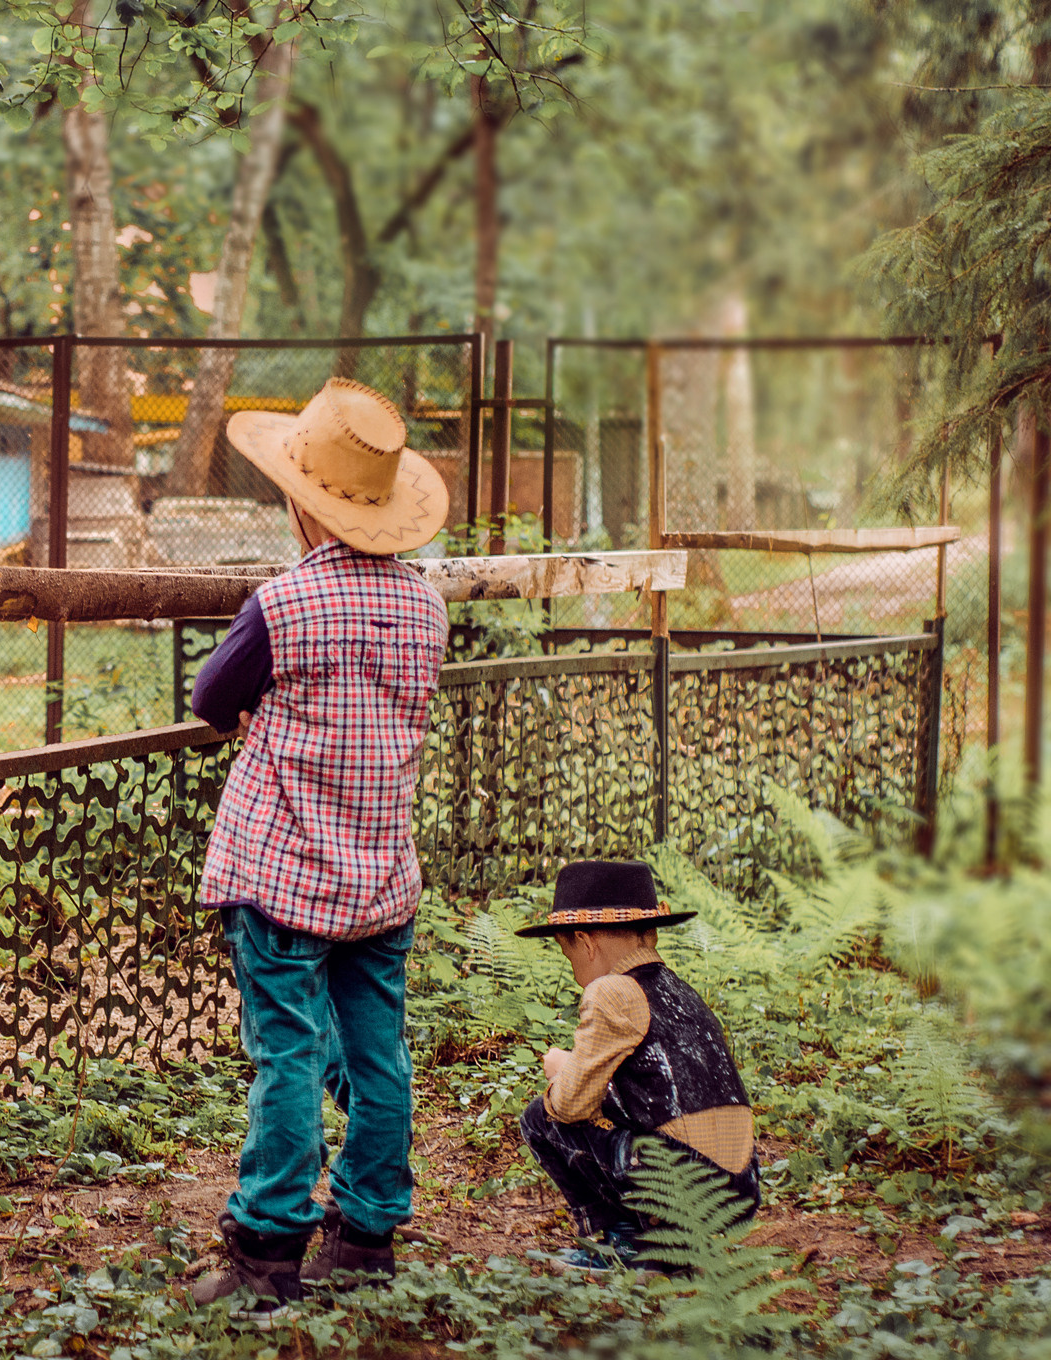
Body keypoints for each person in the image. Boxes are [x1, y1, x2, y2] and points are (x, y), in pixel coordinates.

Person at [184, 378, 451, 1314]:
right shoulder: (429, 610)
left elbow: (211, 699)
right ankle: (369, 1233)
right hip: (381, 877)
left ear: (302, 505)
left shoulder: (282, 604)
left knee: (288, 1056)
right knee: (379, 1057)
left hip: (283, 873)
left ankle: (266, 1251)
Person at [515, 859, 759, 1270]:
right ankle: (674, 1246)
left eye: (567, 953)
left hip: (683, 1181)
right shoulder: (681, 992)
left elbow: (571, 1105)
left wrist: (562, 1069)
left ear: (586, 942)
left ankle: (627, 1243)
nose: (574, 972)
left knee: (541, 1118)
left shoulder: (613, 991)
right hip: (741, 1186)